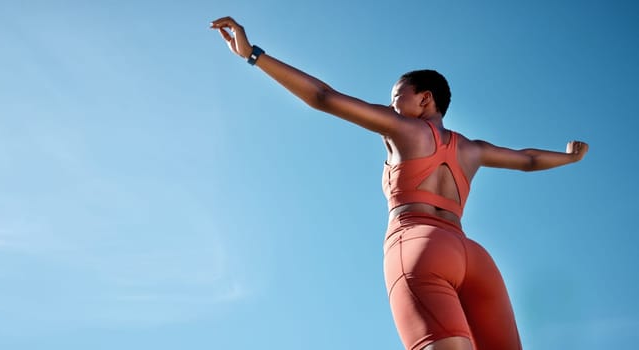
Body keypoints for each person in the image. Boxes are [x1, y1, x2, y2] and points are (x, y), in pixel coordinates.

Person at [210, 16, 588, 350]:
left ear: (424, 99)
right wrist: (570, 157)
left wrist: (253, 55)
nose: (390, 108)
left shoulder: (402, 129)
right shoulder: (473, 149)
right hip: (474, 257)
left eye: (396, 99)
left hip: (420, 248)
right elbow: (528, 160)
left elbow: (323, 97)